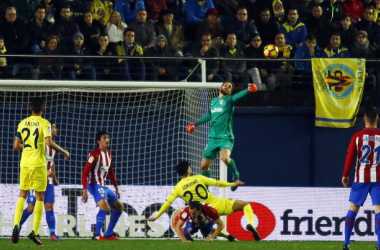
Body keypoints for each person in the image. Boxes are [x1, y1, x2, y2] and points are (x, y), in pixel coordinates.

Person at [144, 160, 261, 241]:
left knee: (204, 227)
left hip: (201, 212)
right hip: (217, 205)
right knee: (245, 205)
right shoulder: (198, 178)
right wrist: (232, 183)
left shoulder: (177, 188)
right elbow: (217, 183)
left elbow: (168, 203)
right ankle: (251, 224)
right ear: (188, 170)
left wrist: (156, 216)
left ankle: (227, 236)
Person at [11, 97, 70, 245]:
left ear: (30, 108)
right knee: (39, 197)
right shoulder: (45, 123)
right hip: (38, 164)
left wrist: (28, 147)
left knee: (22, 193)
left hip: (24, 163)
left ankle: (16, 225)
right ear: (43, 109)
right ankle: (34, 232)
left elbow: (16, 145)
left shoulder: (22, 123)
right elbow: (49, 142)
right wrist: (64, 151)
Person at [186, 81, 258, 189]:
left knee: (224, 158)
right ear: (220, 87)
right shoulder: (214, 101)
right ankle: (206, 191)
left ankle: (235, 174)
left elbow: (237, 97)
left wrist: (248, 90)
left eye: (230, 87)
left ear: (230, 91)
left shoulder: (229, 100)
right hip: (212, 138)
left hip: (225, 137)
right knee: (204, 166)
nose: (227, 87)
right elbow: (209, 114)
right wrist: (195, 124)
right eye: (225, 85)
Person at [341, 106, 380, 250]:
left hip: (360, 179)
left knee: (353, 208)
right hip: (378, 179)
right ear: (377, 119)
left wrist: (345, 175)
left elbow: (350, 156)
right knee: (379, 210)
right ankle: (379, 243)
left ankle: (346, 242)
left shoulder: (357, 137)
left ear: (364, 119)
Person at [18, 122, 63, 241]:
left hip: (48, 181)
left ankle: (52, 235)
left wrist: (55, 177)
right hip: (37, 179)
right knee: (31, 207)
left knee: (49, 206)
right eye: (54, 127)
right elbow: (34, 161)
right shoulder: (39, 144)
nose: (55, 129)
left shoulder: (52, 147)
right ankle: (17, 227)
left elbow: (51, 162)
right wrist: (44, 172)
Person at [81, 131, 124, 240]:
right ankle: (96, 235)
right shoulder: (94, 154)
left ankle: (108, 234)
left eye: (108, 138)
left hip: (104, 186)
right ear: (98, 141)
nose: (107, 140)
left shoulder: (109, 155)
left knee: (120, 207)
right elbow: (85, 173)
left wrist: (116, 188)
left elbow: (111, 172)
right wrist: (85, 190)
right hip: (94, 184)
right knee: (104, 206)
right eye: (104, 138)